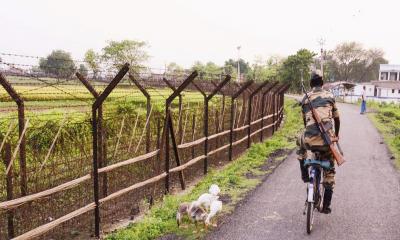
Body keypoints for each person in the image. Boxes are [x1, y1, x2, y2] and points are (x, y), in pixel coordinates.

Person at [297, 70, 340, 214]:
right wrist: (336, 136)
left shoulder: (305, 98)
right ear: (322, 83)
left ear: (310, 84)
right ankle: (326, 206)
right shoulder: (330, 96)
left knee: (299, 141)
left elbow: (305, 122)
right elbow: (337, 119)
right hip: (326, 142)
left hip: (309, 140)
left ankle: (304, 171)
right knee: (330, 172)